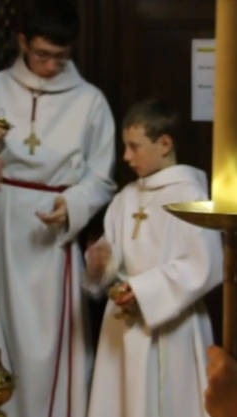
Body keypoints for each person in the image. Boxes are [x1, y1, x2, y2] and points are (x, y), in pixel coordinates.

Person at [0, 0, 116, 417]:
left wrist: (72, 204)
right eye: (42, 54)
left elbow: (102, 177)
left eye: (61, 56)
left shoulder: (90, 100)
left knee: (45, 343)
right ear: (22, 42)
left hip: (49, 232)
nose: (51, 65)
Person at [84, 98, 223, 417]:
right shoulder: (125, 198)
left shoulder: (191, 196)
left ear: (164, 144)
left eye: (135, 147)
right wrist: (101, 264)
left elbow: (205, 264)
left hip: (173, 326)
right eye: (125, 146)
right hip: (122, 325)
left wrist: (144, 291)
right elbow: (113, 258)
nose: (126, 157)